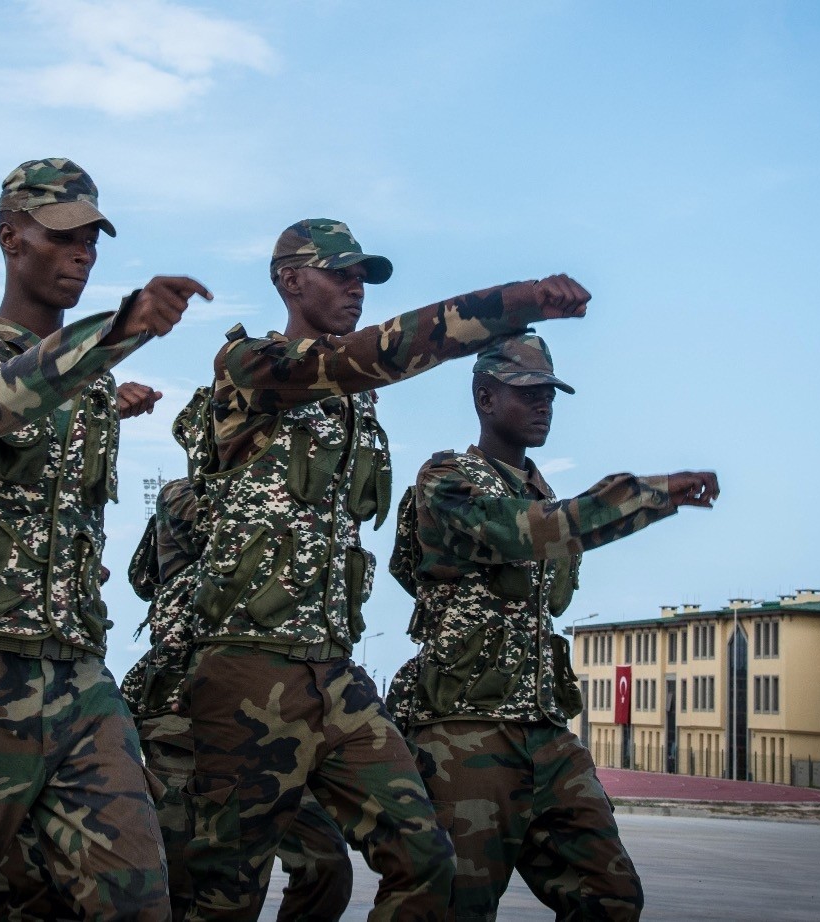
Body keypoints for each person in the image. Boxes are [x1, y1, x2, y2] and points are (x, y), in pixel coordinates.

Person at [179, 218, 596, 921]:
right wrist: (514, 301)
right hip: (248, 665)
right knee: (223, 891)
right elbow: (372, 356)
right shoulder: (250, 368)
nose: (354, 287)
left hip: (332, 670)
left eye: (362, 278)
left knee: (425, 857)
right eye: (338, 273)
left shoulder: (354, 403)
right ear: (290, 279)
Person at [0, 157, 206, 921]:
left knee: (136, 896)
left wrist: (105, 388)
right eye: (60, 236)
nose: (81, 253)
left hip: (78, 670)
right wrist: (116, 333)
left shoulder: (85, 386)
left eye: (91, 238)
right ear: (10, 238)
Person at [388, 334, 719, 921]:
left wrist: (648, 502)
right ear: (486, 398)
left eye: (550, 395)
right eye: (528, 393)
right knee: (452, 907)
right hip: (466, 730)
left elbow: (550, 533)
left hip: (544, 731)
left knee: (610, 895)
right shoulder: (446, 478)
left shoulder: (540, 493)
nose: (543, 405)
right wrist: (646, 494)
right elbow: (525, 532)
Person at [124, 471, 354, 922]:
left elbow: (140, 578)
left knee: (326, 863)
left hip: (266, 718)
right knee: (187, 885)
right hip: (182, 719)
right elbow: (148, 575)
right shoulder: (186, 492)